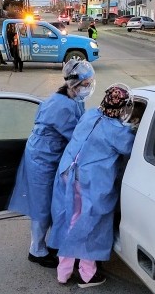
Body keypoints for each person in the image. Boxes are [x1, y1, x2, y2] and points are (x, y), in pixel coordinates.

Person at [9, 60, 96, 268]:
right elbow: (77, 137)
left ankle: (52, 242)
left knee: (52, 200)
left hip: (49, 154)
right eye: (86, 83)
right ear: (75, 85)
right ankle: (36, 250)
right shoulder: (62, 105)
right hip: (42, 157)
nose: (88, 87)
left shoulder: (72, 99)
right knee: (42, 203)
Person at [48, 84, 136, 288]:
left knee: (69, 219)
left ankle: (64, 271)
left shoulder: (89, 115)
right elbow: (131, 148)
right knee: (90, 224)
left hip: (67, 173)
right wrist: (132, 127)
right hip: (90, 182)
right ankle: (87, 274)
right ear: (124, 108)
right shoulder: (117, 131)